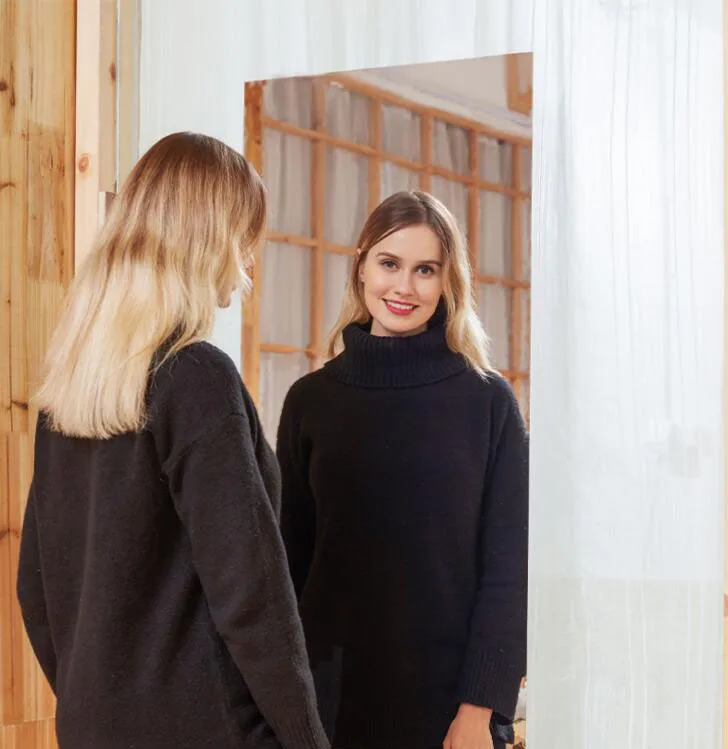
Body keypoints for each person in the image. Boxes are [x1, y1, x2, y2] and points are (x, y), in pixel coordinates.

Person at [16, 132, 329, 749]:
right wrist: (305, 737)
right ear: (211, 238)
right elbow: (250, 592)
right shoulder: (196, 376)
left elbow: (36, 587)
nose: (248, 261)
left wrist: (97, 703)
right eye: (245, 237)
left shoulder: (70, 390)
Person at [277, 190, 529, 749]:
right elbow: (290, 565)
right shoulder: (309, 402)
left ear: (447, 283)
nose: (404, 287)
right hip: (327, 703)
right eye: (389, 263)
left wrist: (479, 709)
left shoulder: (487, 402)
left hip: (449, 709)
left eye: (425, 270)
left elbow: (509, 570)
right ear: (362, 266)